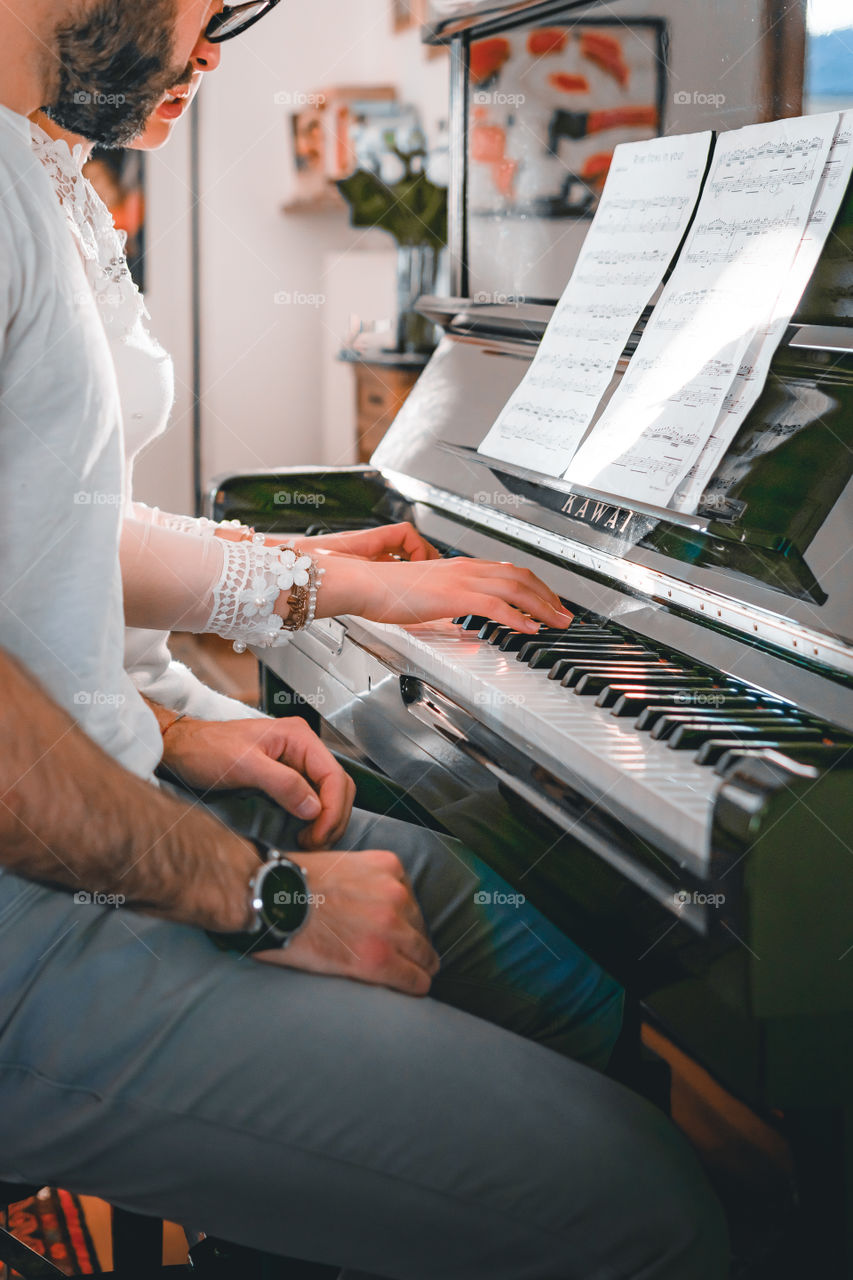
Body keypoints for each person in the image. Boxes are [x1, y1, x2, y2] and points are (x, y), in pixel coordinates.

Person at [0, 2, 729, 1276]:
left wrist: (249, 653)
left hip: (98, 800)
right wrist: (263, 894)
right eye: (213, 5)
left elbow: (55, 533)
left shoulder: (27, 167)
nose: (215, 44)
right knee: (651, 1203)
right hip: (41, 906)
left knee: (551, 977)